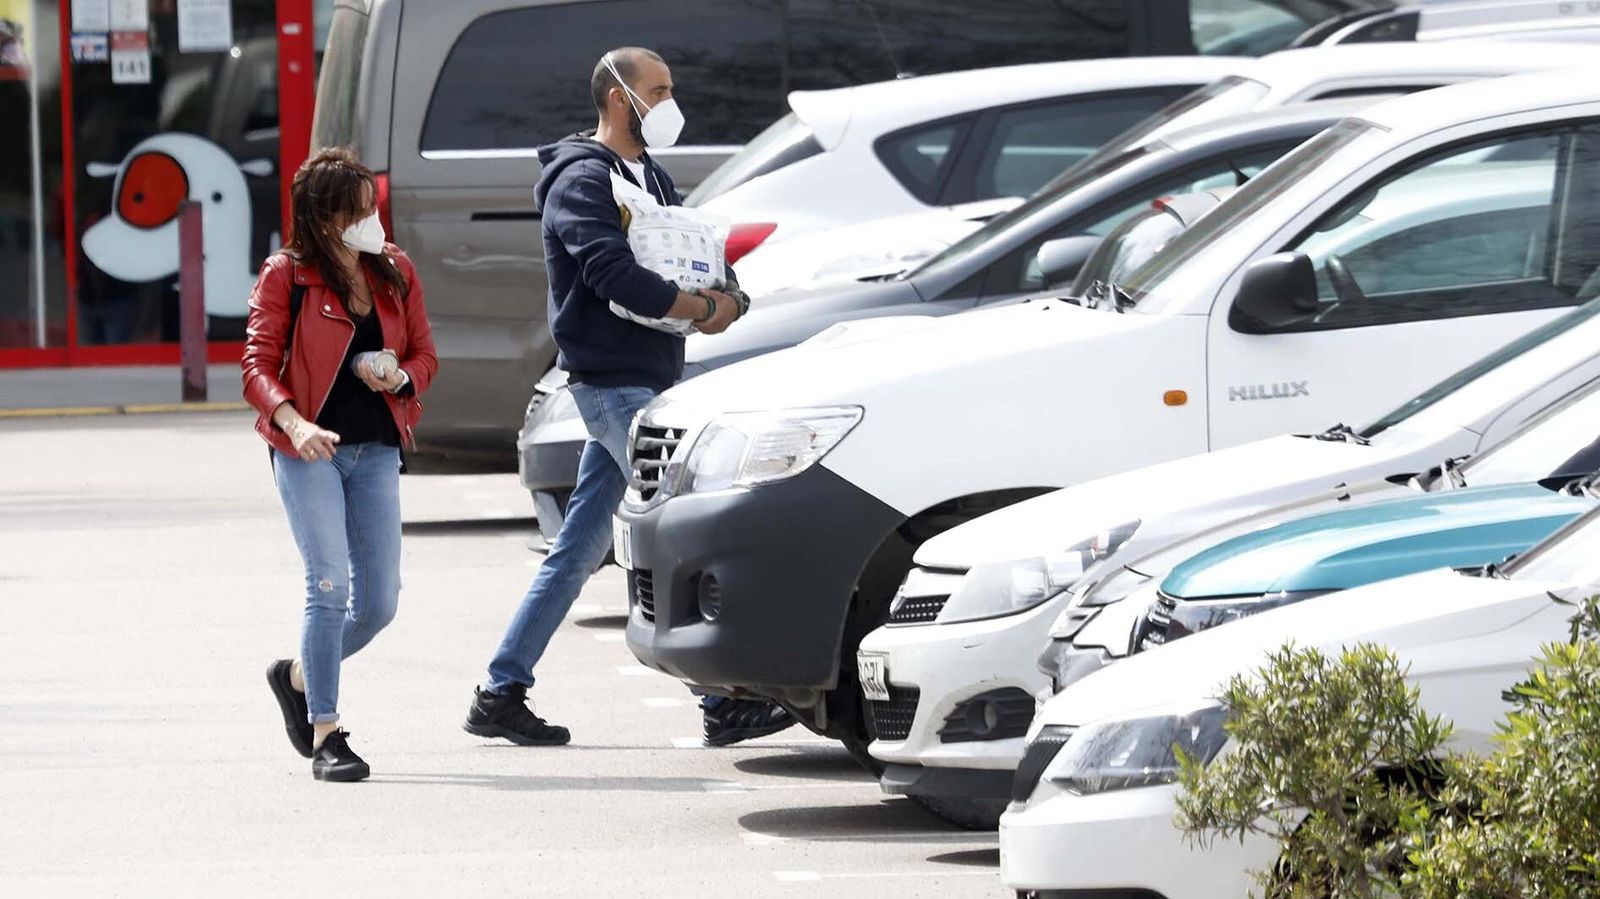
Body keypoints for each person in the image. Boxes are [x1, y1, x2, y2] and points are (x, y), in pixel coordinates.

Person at [464, 47, 792, 747]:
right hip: (613, 384)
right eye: (660, 90)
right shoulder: (580, 183)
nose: (672, 103)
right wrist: (701, 309)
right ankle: (720, 699)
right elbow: (613, 273)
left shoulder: (648, 175)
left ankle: (500, 689)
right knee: (669, 522)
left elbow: (689, 249)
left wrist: (723, 291)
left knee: (580, 549)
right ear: (619, 98)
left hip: (646, 377)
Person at [243, 147, 438, 782]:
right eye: (357, 212)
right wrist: (293, 424)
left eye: (372, 208)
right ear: (325, 219)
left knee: (379, 603)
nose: (370, 221)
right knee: (328, 588)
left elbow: (426, 355)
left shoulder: (395, 271)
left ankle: (298, 675)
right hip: (309, 451)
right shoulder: (287, 276)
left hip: (376, 449)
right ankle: (327, 731)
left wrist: (400, 375)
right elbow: (255, 366)